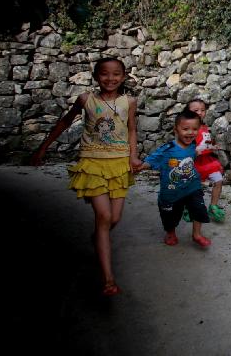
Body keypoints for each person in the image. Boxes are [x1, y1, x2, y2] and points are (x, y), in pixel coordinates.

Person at [31, 56, 140, 296]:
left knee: (114, 219)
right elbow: (65, 122)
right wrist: (43, 147)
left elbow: (132, 130)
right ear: (96, 76)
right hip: (92, 163)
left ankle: (98, 239)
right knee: (103, 216)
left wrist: (133, 157)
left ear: (123, 77)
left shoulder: (129, 102)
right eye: (104, 74)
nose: (110, 78)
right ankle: (109, 280)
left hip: (119, 165)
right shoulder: (85, 100)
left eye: (115, 74)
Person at [136, 109, 212, 248]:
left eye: (195, 129)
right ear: (175, 129)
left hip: (192, 187)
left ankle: (197, 234)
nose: (190, 132)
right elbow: (152, 160)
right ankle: (170, 232)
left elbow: (192, 154)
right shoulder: (167, 149)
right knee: (170, 216)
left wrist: (199, 152)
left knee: (199, 209)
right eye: (186, 129)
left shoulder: (193, 145)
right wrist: (140, 167)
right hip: (171, 192)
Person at [186, 99, 225, 222]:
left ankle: (213, 205)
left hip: (206, 161)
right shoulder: (187, 127)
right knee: (192, 188)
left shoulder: (204, 127)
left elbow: (206, 141)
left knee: (218, 180)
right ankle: (188, 207)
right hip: (193, 162)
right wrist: (195, 150)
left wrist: (212, 146)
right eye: (196, 110)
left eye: (202, 110)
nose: (200, 112)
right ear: (188, 111)